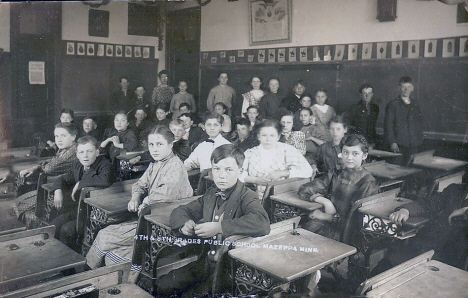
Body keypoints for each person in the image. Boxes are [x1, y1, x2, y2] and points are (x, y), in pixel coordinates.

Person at [159, 144, 270, 297]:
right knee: (162, 284)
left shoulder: (247, 196)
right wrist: (184, 224)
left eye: (228, 170)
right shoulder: (211, 193)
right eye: (216, 169)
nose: (221, 175)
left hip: (229, 274)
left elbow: (262, 223)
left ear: (241, 171)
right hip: (205, 265)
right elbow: (181, 210)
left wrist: (220, 227)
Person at [85, 126, 193, 269]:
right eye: (151, 145)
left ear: (170, 144)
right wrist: (135, 197)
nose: (154, 149)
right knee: (112, 252)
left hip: (165, 225)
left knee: (105, 236)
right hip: (150, 218)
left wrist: (145, 202)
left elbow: (162, 198)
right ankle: (98, 281)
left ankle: (87, 277)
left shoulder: (175, 168)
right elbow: (140, 183)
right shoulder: (156, 164)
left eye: (159, 144)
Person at [298, 134, 379, 240]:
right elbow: (304, 189)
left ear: (364, 156)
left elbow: (355, 220)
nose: (349, 158)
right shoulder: (335, 173)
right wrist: (325, 202)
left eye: (355, 154)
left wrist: (327, 217)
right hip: (327, 225)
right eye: (346, 152)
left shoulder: (367, 182)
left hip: (346, 234)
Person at [48, 136, 114, 251]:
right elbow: (62, 179)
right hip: (80, 210)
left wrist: (80, 183)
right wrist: (57, 190)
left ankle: (70, 267)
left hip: (96, 215)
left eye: (89, 151)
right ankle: (57, 258)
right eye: (81, 152)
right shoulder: (79, 166)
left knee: (66, 230)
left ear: (97, 152)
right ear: (77, 154)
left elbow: (105, 180)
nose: (85, 156)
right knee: (54, 225)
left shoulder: (105, 165)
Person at [388, 182, 468, 268]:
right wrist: (406, 210)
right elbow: (428, 204)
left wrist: (465, 212)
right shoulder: (455, 190)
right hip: (429, 245)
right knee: (387, 265)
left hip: (452, 258)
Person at [13, 123, 80, 226]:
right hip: (55, 187)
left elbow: (50, 168)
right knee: (18, 203)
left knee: (20, 206)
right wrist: (36, 167)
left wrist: (40, 166)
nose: (59, 139)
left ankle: (36, 233)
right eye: (56, 136)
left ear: (73, 137)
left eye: (63, 136)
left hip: (66, 193)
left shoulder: (73, 152)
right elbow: (52, 161)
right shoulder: (64, 149)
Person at [240, 120, 313, 199]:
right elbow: (237, 173)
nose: (268, 139)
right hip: (255, 195)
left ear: (278, 136)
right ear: (258, 136)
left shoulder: (287, 150)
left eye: (272, 135)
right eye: (264, 135)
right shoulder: (250, 153)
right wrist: (256, 180)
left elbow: (308, 171)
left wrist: (282, 173)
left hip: (283, 197)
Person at [384, 76, 423, 164]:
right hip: (399, 146)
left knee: (412, 170)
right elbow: (388, 125)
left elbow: (419, 124)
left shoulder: (415, 104)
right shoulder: (393, 104)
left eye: (408, 87)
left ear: (412, 88)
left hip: (413, 145)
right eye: (403, 87)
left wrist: (418, 141)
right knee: (398, 170)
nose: (406, 89)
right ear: (399, 88)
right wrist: (392, 142)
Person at [345, 83, 379, 147]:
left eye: (369, 93)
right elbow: (348, 126)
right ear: (360, 95)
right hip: (357, 141)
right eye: (364, 93)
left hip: (371, 142)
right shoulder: (354, 108)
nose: (367, 95)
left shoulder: (375, 108)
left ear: (372, 94)